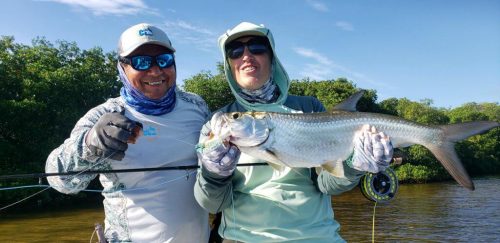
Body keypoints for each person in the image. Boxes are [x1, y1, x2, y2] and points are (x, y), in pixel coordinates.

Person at [194, 22, 393, 242]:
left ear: (272, 58)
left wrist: (354, 167)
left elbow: (328, 185)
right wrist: (213, 175)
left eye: (257, 47)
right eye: (236, 51)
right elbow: (212, 204)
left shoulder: (309, 107)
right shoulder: (216, 124)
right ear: (229, 64)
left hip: (319, 237)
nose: (247, 56)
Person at [46, 23, 209, 242]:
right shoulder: (104, 115)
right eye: (141, 62)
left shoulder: (196, 105)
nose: (155, 70)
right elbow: (60, 182)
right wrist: (89, 144)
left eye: (164, 59)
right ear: (122, 67)